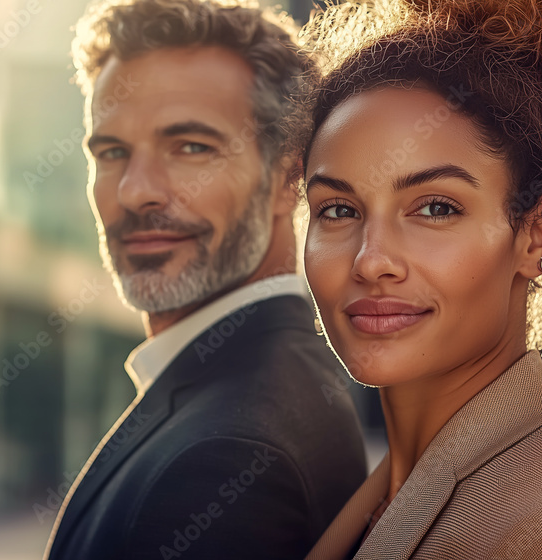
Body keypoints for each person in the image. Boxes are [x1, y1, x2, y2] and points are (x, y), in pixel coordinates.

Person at [288, 0, 542, 558]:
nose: (370, 260)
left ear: (536, 235)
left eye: (436, 208)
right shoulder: (377, 496)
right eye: (338, 210)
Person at [43, 1, 368, 558]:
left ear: (287, 178)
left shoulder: (226, 459)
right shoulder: (266, 390)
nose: (134, 191)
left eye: (191, 147)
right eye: (113, 151)